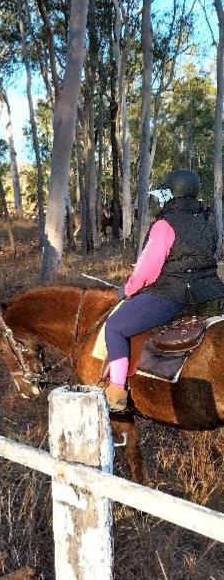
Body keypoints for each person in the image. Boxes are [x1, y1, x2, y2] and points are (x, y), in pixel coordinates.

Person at [103, 169, 224, 412]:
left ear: (170, 194)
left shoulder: (164, 224)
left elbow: (149, 269)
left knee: (115, 327)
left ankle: (116, 394)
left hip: (175, 294)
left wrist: (128, 289)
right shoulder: (206, 221)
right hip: (212, 292)